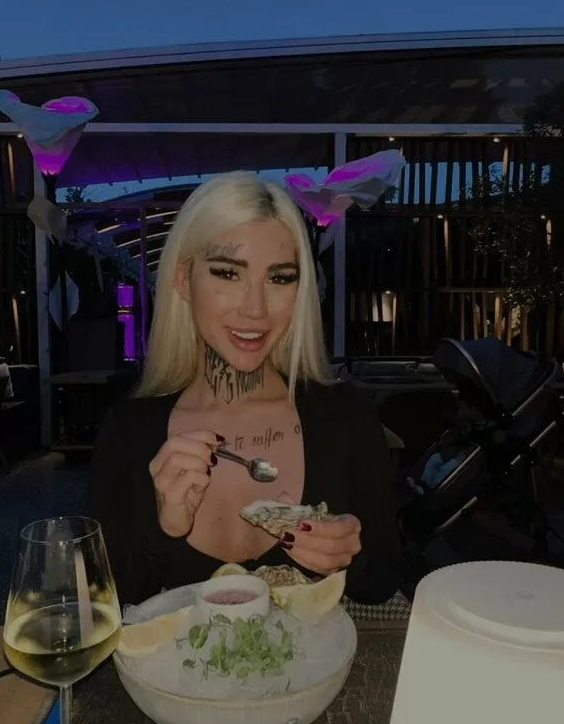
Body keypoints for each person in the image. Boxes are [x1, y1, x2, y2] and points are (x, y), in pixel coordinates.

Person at [88, 172, 402, 609]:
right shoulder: (129, 429)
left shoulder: (345, 416)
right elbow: (103, 602)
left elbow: (384, 582)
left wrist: (351, 553)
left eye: (280, 278)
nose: (255, 309)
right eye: (227, 273)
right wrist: (165, 530)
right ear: (183, 280)